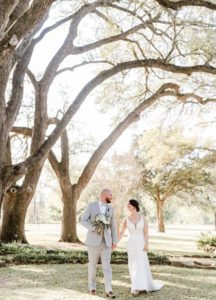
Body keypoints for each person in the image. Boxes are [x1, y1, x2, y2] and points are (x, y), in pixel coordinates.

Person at [118, 199, 164, 296]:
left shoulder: (143, 218)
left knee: (141, 263)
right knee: (133, 264)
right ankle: (136, 286)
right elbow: (122, 233)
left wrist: (146, 244)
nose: (127, 207)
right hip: (130, 244)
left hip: (141, 243)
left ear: (134, 206)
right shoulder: (126, 219)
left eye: (129, 205)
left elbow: (146, 232)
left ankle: (142, 286)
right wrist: (115, 242)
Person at [80, 189, 117, 298]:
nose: (111, 198)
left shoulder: (111, 208)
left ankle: (109, 289)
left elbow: (113, 226)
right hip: (92, 242)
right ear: (104, 195)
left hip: (107, 242)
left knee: (107, 266)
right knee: (92, 265)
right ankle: (92, 288)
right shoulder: (91, 205)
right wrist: (93, 228)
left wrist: (114, 241)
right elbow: (83, 220)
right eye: (110, 196)